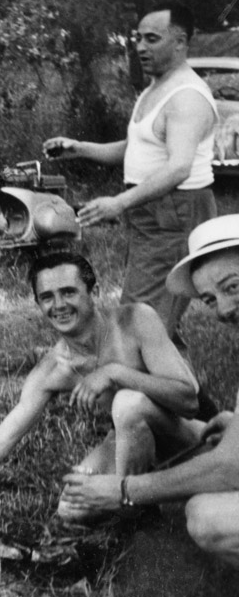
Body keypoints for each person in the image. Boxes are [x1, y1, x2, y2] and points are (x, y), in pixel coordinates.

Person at [0, 251, 203, 522]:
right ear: (38, 304)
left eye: (68, 292)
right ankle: (146, 508)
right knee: (71, 508)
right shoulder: (54, 368)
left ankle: (135, 506)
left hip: (190, 437)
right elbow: (0, 439)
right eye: (47, 297)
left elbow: (189, 399)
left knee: (128, 404)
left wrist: (115, 373)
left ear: (93, 292)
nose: (58, 305)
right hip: (131, 443)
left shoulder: (135, 320)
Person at [63, 214, 239, 566]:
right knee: (70, 508)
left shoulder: (138, 319)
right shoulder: (58, 361)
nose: (224, 309)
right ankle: (141, 526)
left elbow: (230, 468)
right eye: (209, 299)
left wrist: (127, 492)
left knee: (207, 518)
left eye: (232, 286)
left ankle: (140, 517)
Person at [43, 2, 217, 344]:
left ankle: (140, 383)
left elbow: (179, 166)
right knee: (150, 319)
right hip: (152, 214)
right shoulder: (154, 89)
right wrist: (78, 147)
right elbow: (136, 147)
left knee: (137, 324)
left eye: (152, 39)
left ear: (180, 42)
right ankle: (171, 377)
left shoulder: (188, 97)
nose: (140, 47)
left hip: (175, 214)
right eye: (138, 38)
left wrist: (119, 202)